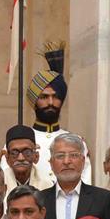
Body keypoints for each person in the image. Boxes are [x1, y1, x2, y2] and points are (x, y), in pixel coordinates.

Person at [24, 42, 91, 185]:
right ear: (34, 101)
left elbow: (86, 186)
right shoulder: (20, 142)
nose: (50, 102)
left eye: (55, 97)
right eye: (44, 97)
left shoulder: (77, 142)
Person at [38, 133, 110, 219]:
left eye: (74, 155)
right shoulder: (39, 199)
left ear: (83, 161)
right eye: (60, 156)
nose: (67, 161)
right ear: (51, 163)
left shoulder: (103, 199)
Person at [0, 124, 53, 191]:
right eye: (15, 153)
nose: (21, 158)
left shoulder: (47, 185)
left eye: (27, 152)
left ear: (36, 156)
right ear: (7, 158)